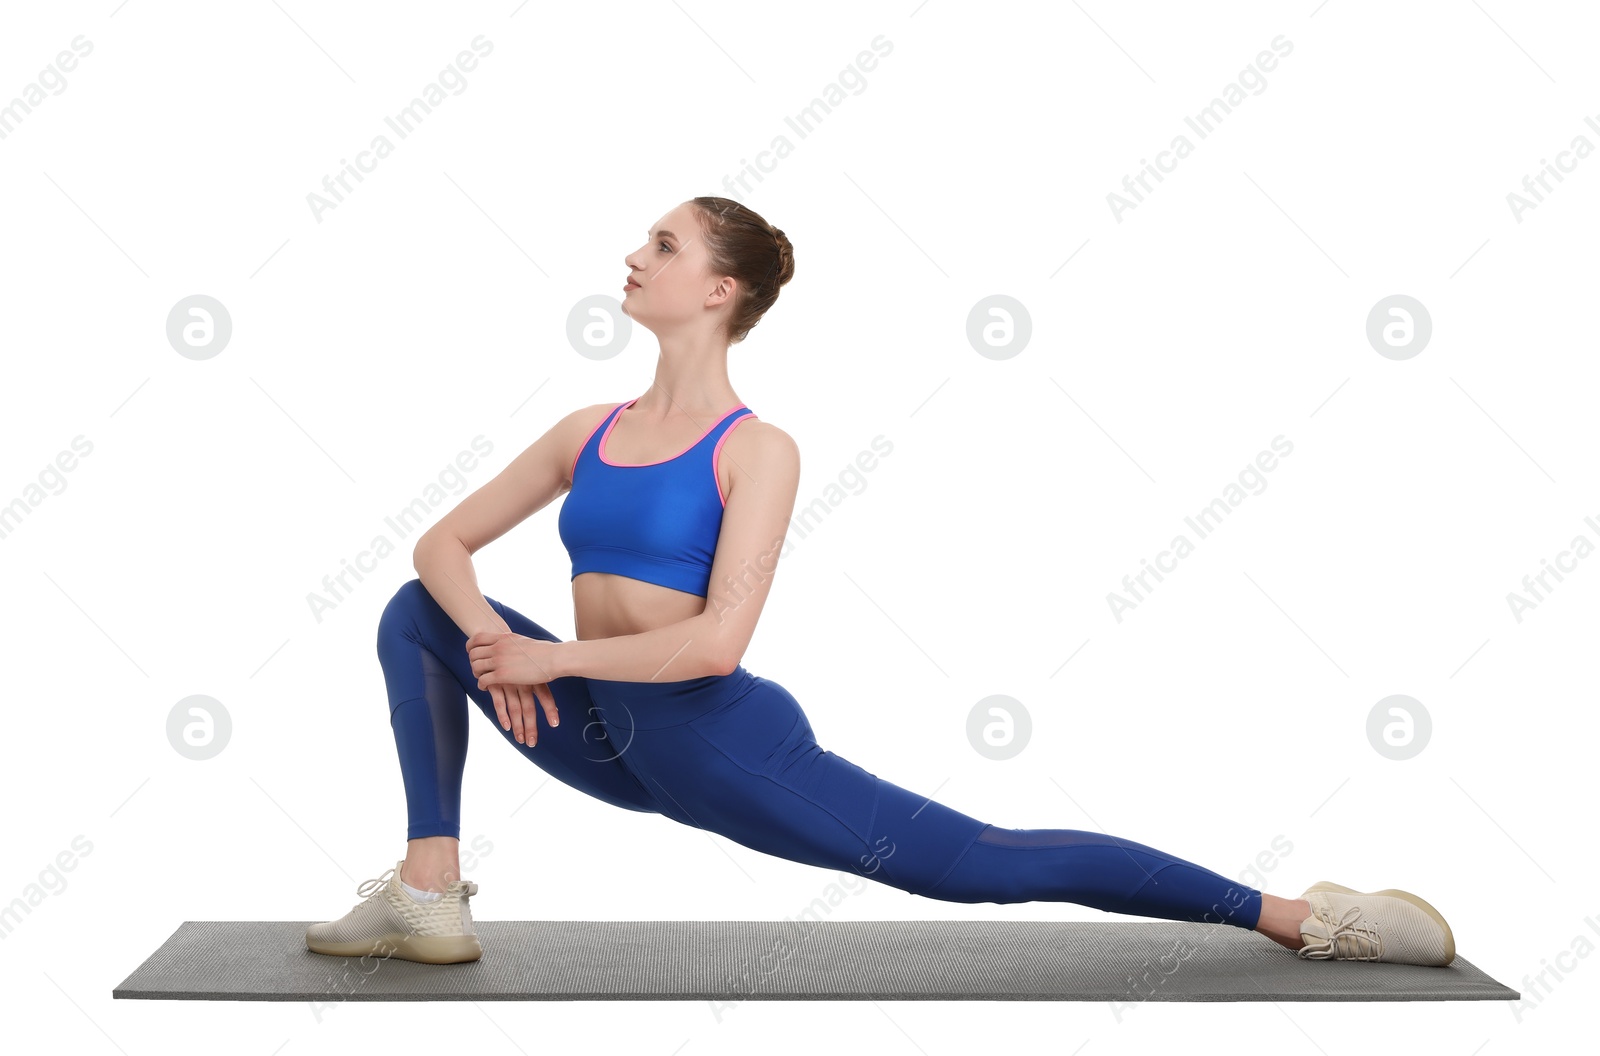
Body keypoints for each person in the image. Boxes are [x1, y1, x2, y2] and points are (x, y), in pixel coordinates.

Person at [306, 197, 1455, 970]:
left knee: (985, 867)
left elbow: (715, 644)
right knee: (419, 618)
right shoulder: (584, 430)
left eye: (661, 246)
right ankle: (431, 888)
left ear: (719, 292)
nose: (633, 258)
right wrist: (494, 649)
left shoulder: (760, 451)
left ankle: (1309, 918)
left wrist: (543, 655)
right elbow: (439, 552)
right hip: (602, 733)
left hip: (719, 747)